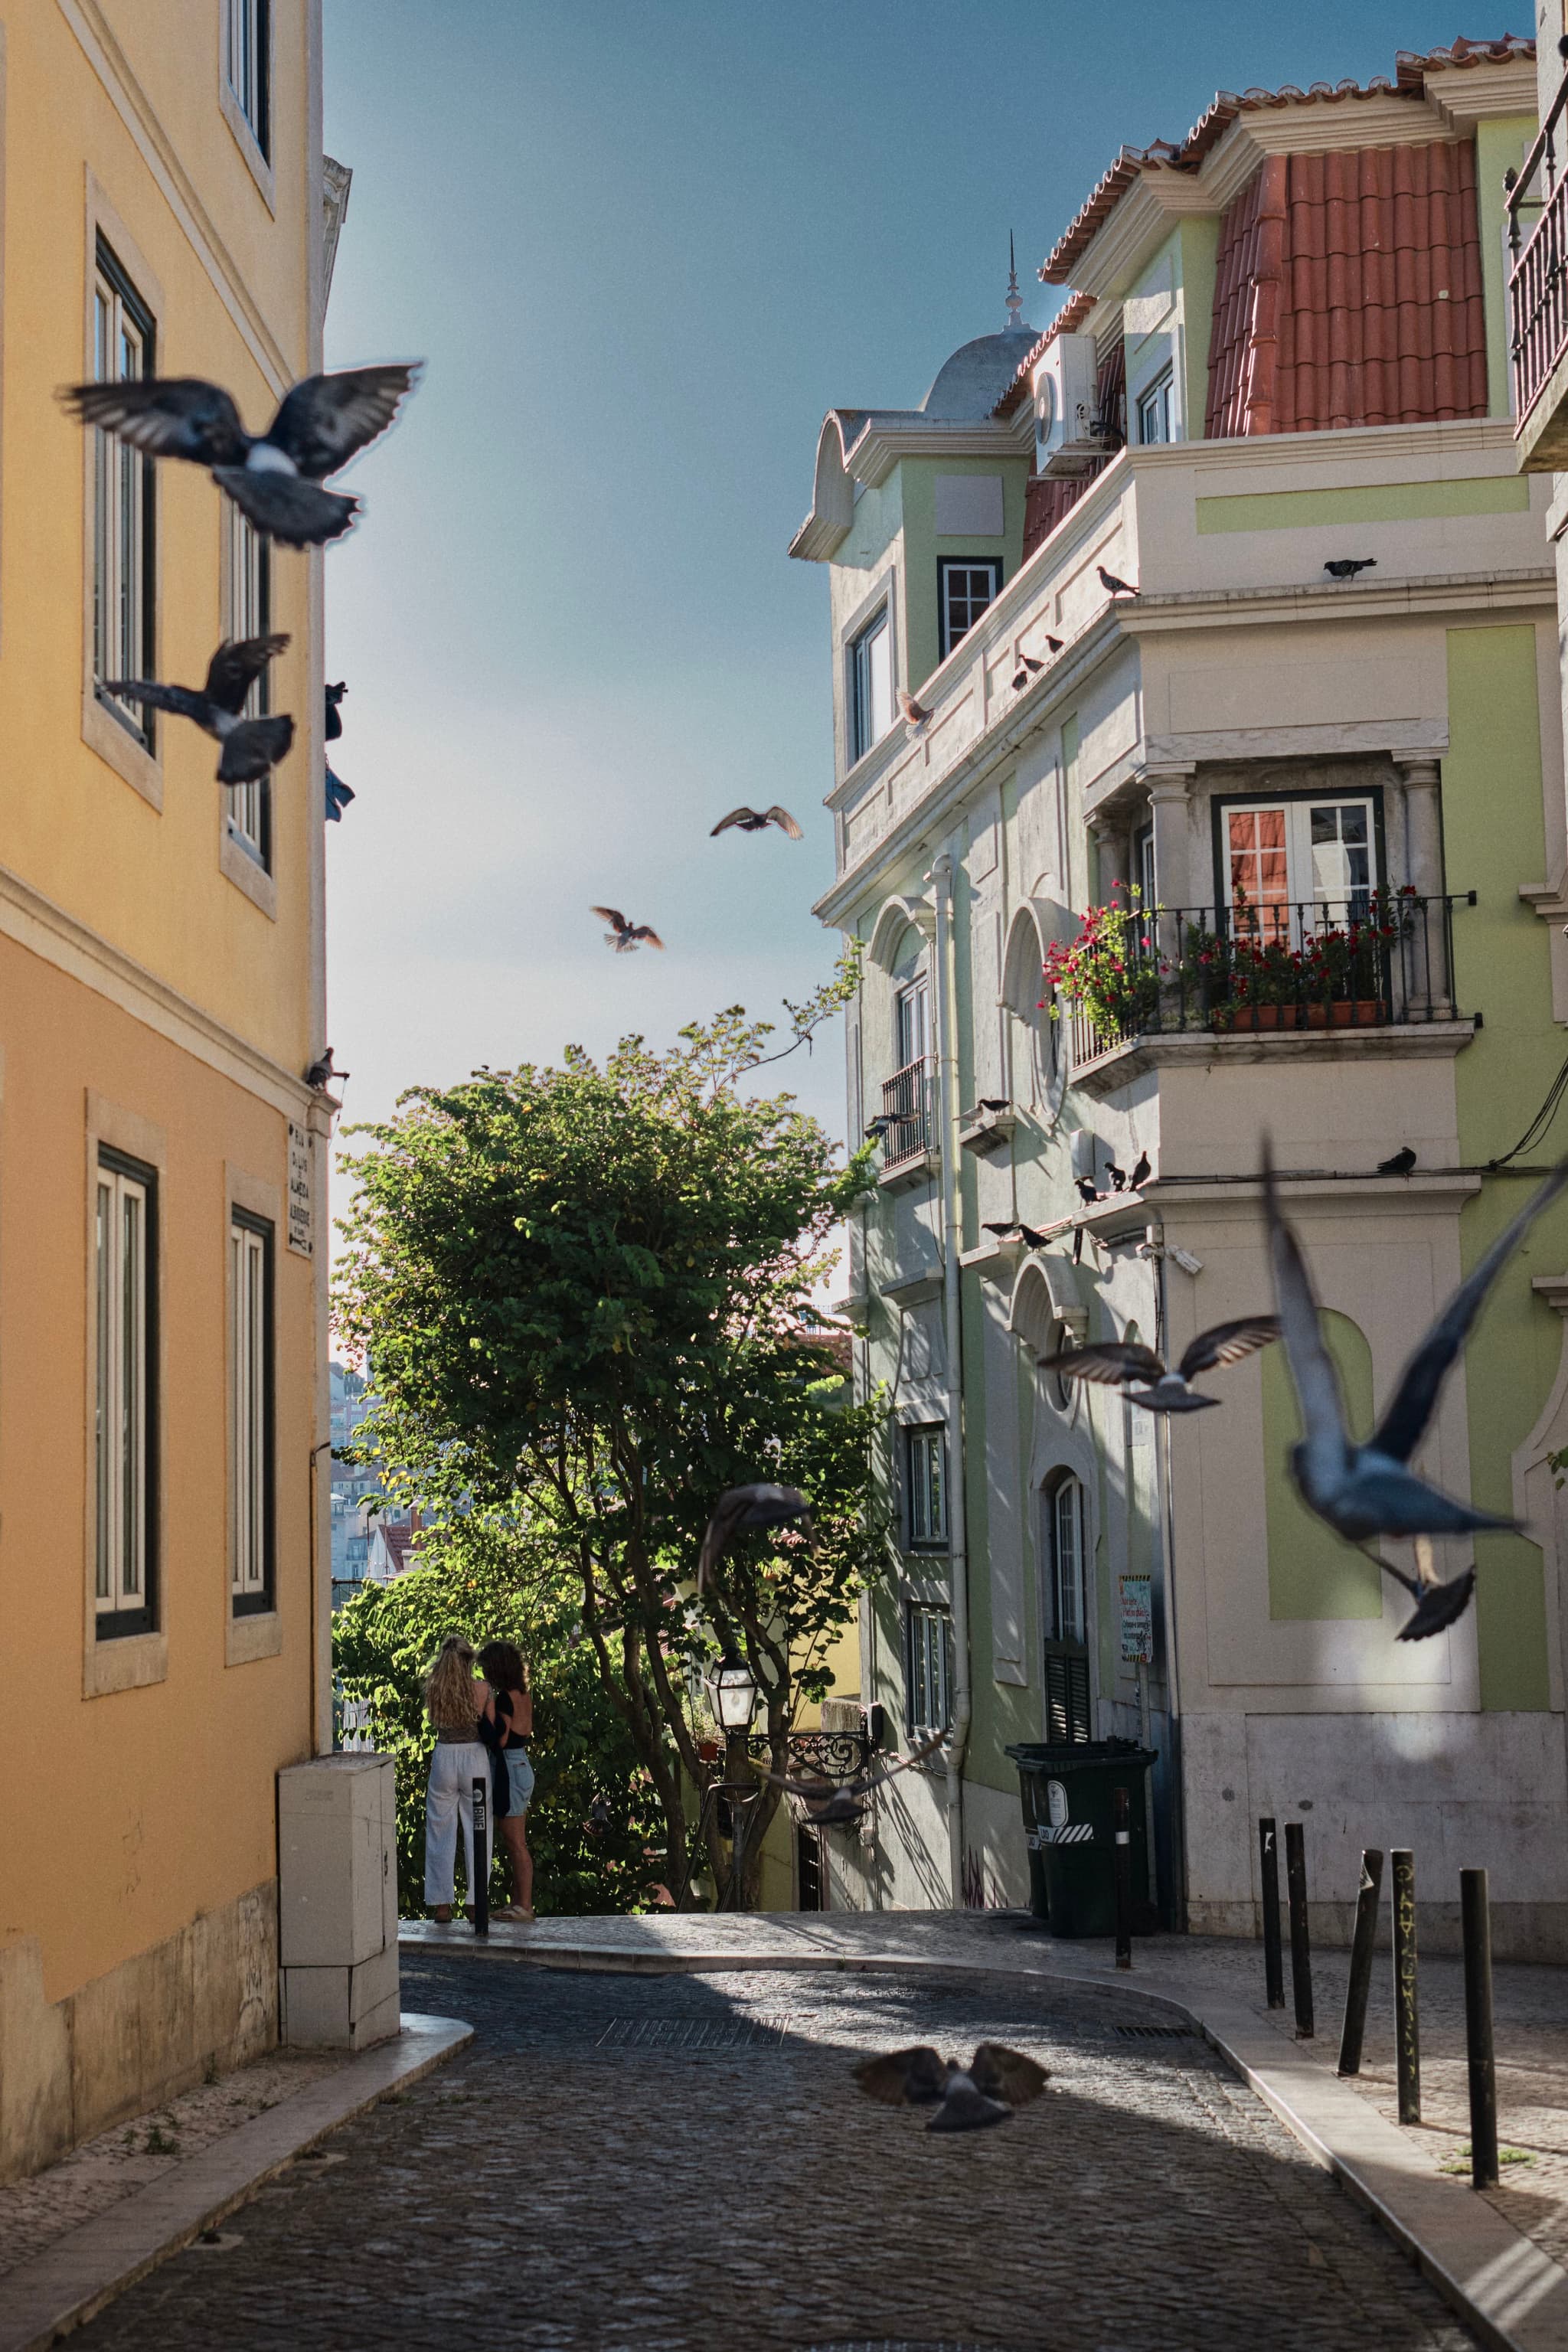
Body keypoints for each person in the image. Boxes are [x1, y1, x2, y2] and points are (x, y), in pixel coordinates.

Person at [422, 1635, 492, 1922]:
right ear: (469, 1661)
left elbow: (433, 1721)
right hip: (474, 1757)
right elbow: (491, 1725)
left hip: (444, 1757)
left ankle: (441, 1905)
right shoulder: (482, 1689)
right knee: (479, 1830)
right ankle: (476, 1903)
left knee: (440, 1830)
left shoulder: (435, 1689)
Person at [479, 1640, 534, 1921]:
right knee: (517, 1840)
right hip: (522, 1760)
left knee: (516, 1842)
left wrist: (482, 1721)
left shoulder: (503, 1698)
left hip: (510, 1766)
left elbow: (500, 1739)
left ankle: (524, 1905)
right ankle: (518, 1903)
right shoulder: (523, 1694)